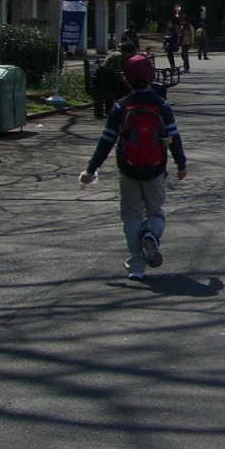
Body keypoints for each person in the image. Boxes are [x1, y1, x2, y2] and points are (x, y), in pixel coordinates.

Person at [80, 54, 189, 281]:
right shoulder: (161, 105)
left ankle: (136, 265)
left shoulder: (121, 106)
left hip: (128, 169)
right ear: (150, 79)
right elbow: (173, 137)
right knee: (155, 211)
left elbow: (106, 141)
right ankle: (151, 233)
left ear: (126, 80)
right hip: (155, 169)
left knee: (131, 216)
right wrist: (181, 164)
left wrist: (91, 169)